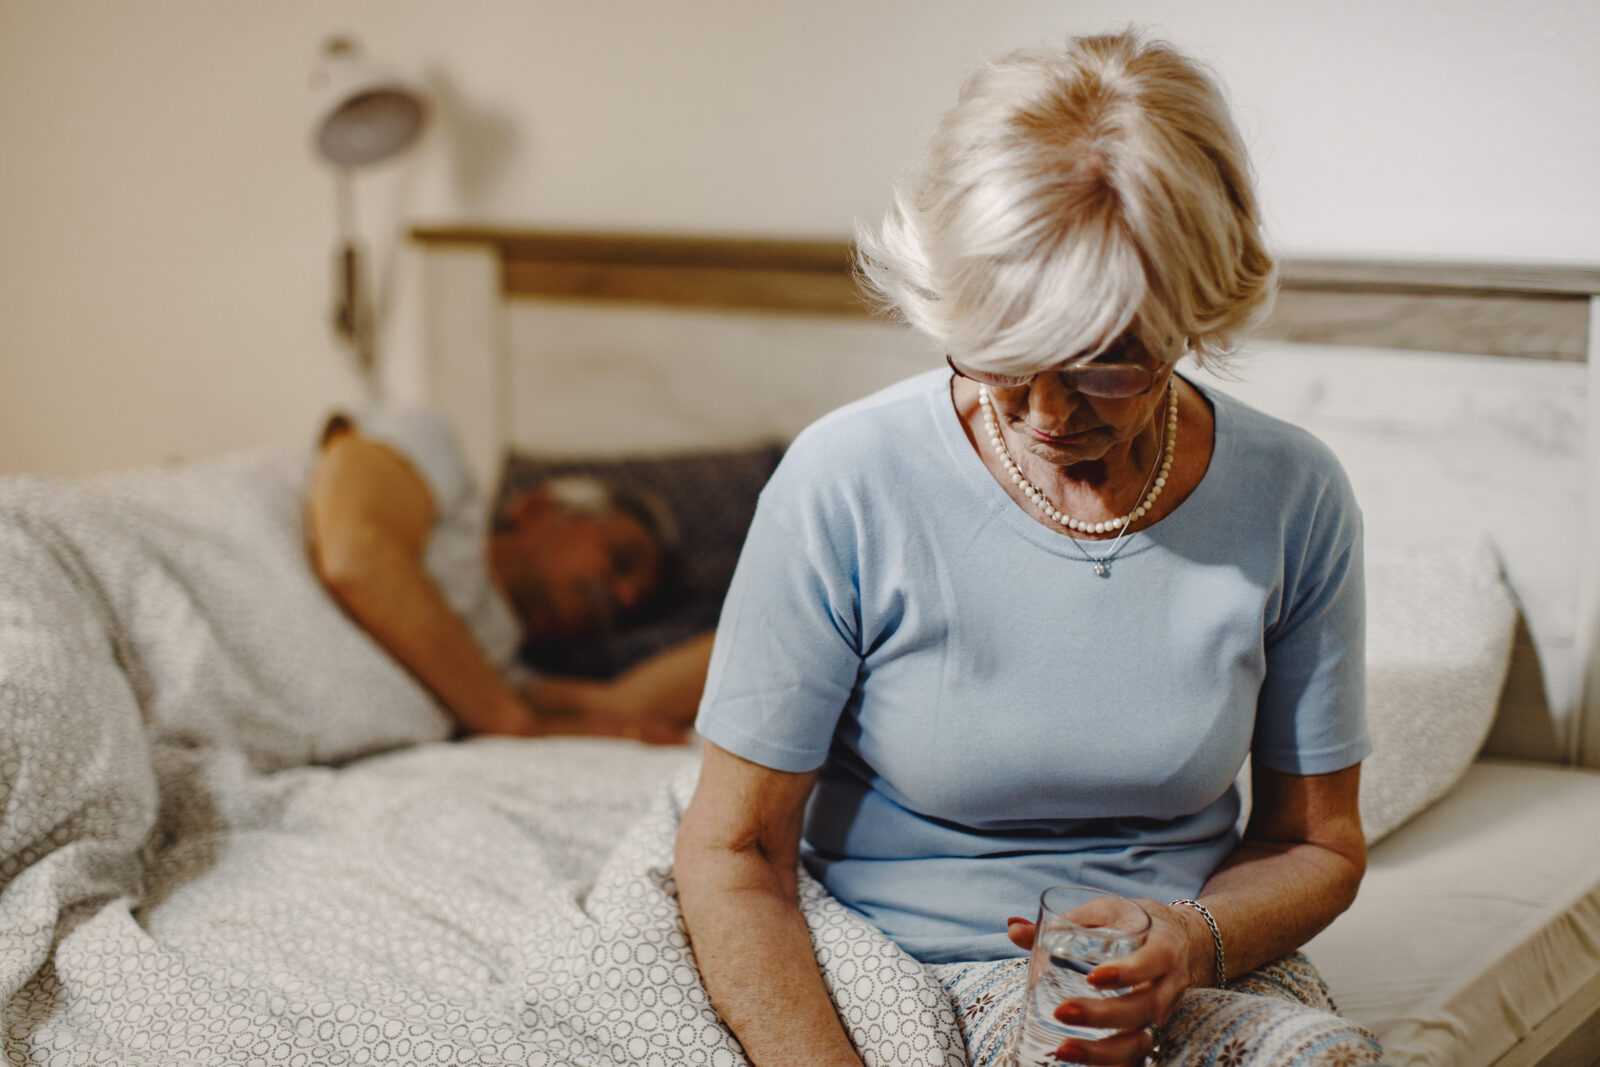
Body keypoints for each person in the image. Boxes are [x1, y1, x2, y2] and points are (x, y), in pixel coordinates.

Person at [675, 30, 1381, 1067]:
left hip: (1173, 971)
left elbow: (1314, 840)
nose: (1047, 414)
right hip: (887, 964)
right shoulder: (847, 480)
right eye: (1002, 352)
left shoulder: (1291, 494)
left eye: (1107, 364)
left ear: (1191, 313)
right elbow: (733, 846)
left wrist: (1190, 939)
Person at [306, 408, 712, 743]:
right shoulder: (434, 458)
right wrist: (508, 720)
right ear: (537, 507)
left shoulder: (502, 674)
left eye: (633, 609)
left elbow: (625, 706)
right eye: (621, 560)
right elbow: (357, 557)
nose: (623, 595)